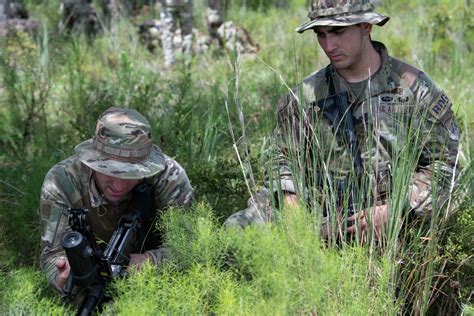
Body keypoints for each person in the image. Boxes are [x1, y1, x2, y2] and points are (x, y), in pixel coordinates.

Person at [224, 0, 461, 241]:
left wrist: (398, 208)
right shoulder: (305, 95)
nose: (329, 45)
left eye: (338, 31)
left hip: (392, 216)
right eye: (321, 34)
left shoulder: (413, 89)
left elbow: (447, 167)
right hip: (322, 211)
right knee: (240, 229)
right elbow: (281, 157)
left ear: (367, 26)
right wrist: (291, 200)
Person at [40, 106, 194, 296]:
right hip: (89, 289)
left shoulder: (169, 178)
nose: (119, 186)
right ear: (92, 162)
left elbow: (189, 249)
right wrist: (62, 277)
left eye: (132, 174)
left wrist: (151, 261)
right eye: (109, 172)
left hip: (157, 286)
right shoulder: (63, 182)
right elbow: (51, 256)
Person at [159, 0, 193, 68]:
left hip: (169, 3)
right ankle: (187, 61)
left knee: (168, 33)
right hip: (185, 3)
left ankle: (169, 61)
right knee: (187, 34)